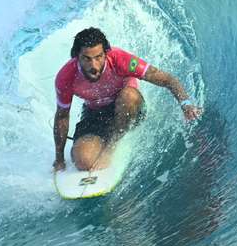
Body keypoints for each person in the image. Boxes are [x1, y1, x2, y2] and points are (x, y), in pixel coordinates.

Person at [53, 27, 202, 172]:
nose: (94, 66)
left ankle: (111, 146)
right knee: (83, 161)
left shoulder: (120, 59)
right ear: (76, 57)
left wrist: (186, 104)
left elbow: (167, 79)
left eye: (98, 57)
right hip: (95, 114)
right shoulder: (66, 77)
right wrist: (59, 159)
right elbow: (62, 116)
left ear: (106, 53)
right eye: (87, 59)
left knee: (129, 96)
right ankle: (98, 142)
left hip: (130, 109)